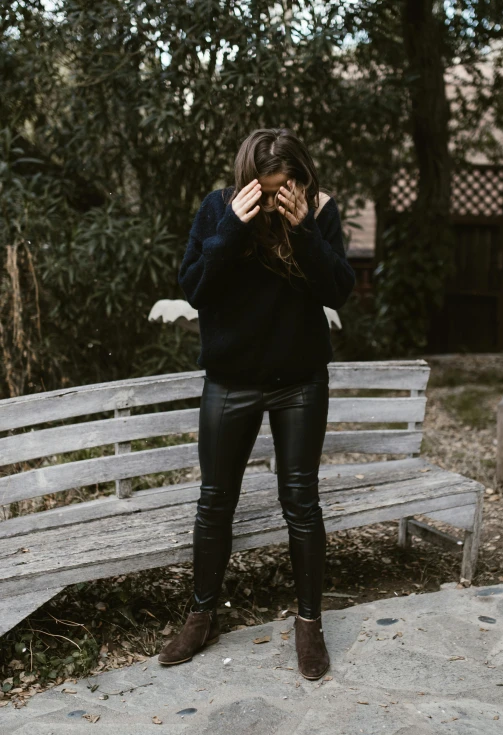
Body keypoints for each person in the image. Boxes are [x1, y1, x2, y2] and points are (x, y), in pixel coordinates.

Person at [158, 128, 356, 680]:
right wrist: (231, 227)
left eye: (282, 190)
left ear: (301, 179)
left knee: (301, 502)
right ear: (248, 181)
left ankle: (309, 623)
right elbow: (194, 288)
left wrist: (307, 230)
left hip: (299, 382)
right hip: (231, 381)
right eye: (264, 191)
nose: (273, 202)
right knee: (215, 501)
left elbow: (337, 290)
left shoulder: (319, 212)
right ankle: (202, 616)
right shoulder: (218, 210)